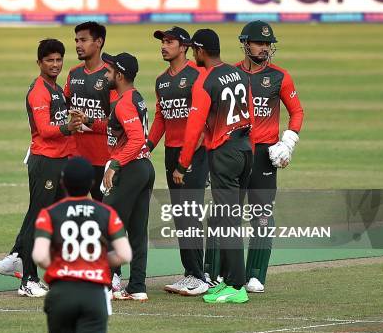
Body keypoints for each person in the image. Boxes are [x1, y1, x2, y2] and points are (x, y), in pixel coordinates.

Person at [0, 39, 81, 297]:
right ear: (39, 62)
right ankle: (28, 280)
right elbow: (44, 130)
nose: (54, 64)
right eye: (49, 60)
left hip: (61, 160)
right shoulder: (39, 90)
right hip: (45, 162)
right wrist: (67, 128)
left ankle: (30, 262)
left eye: (58, 60)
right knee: (39, 219)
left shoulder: (56, 88)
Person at [173, 29, 252, 304]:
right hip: (245, 150)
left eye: (195, 50)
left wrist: (182, 165)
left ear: (200, 51)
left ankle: (237, 287)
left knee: (228, 221)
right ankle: (229, 281)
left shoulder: (204, 81)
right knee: (227, 218)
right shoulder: (238, 72)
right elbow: (249, 112)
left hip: (225, 154)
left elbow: (194, 129)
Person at [33, 157, 132, 333]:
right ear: (92, 183)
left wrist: (64, 264)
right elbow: (124, 254)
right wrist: (96, 261)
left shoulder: (49, 213)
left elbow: (39, 256)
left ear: (63, 183)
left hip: (61, 294)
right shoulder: (107, 213)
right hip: (94, 294)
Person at [78, 52, 155, 301]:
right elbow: (115, 126)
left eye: (109, 71)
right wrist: (89, 120)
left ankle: (106, 283)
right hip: (144, 168)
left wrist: (115, 164)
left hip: (130, 168)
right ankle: (137, 286)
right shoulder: (133, 98)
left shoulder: (124, 102)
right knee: (136, 230)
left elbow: (136, 138)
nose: (105, 74)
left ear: (119, 75)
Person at [237, 20, 304, 293]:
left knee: (261, 214)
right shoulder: (229, 74)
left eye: (268, 44)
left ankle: (256, 274)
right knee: (225, 214)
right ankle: (224, 273)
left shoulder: (279, 76)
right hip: (234, 151)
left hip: (264, 154)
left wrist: (288, 141)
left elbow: (297, 111)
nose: (265, 48)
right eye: (260, 43)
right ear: (245, 44)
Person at [148, 26, 209, 296]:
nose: (164, 45)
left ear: (184, 47)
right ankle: (192, 272)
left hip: (195, 152)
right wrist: (146, 146)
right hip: (172, 152)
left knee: (190, 213)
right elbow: (161, 117)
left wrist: (188, 158)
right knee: (181, 215)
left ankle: (198, 275)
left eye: (170, 42)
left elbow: (204, 121)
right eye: (162, 41)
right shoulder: (161, 80)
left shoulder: (198, 76)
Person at [64, 22, 117, 202]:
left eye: (84, 40)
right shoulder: (73, 74)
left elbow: (116, 122)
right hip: (75, 156)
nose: (78, 45)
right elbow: (62, 108)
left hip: (102, 157)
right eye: (77, 40)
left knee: (106, 214)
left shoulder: (111, 76)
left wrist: (89, 120)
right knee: (72, 211)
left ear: (99, 42)